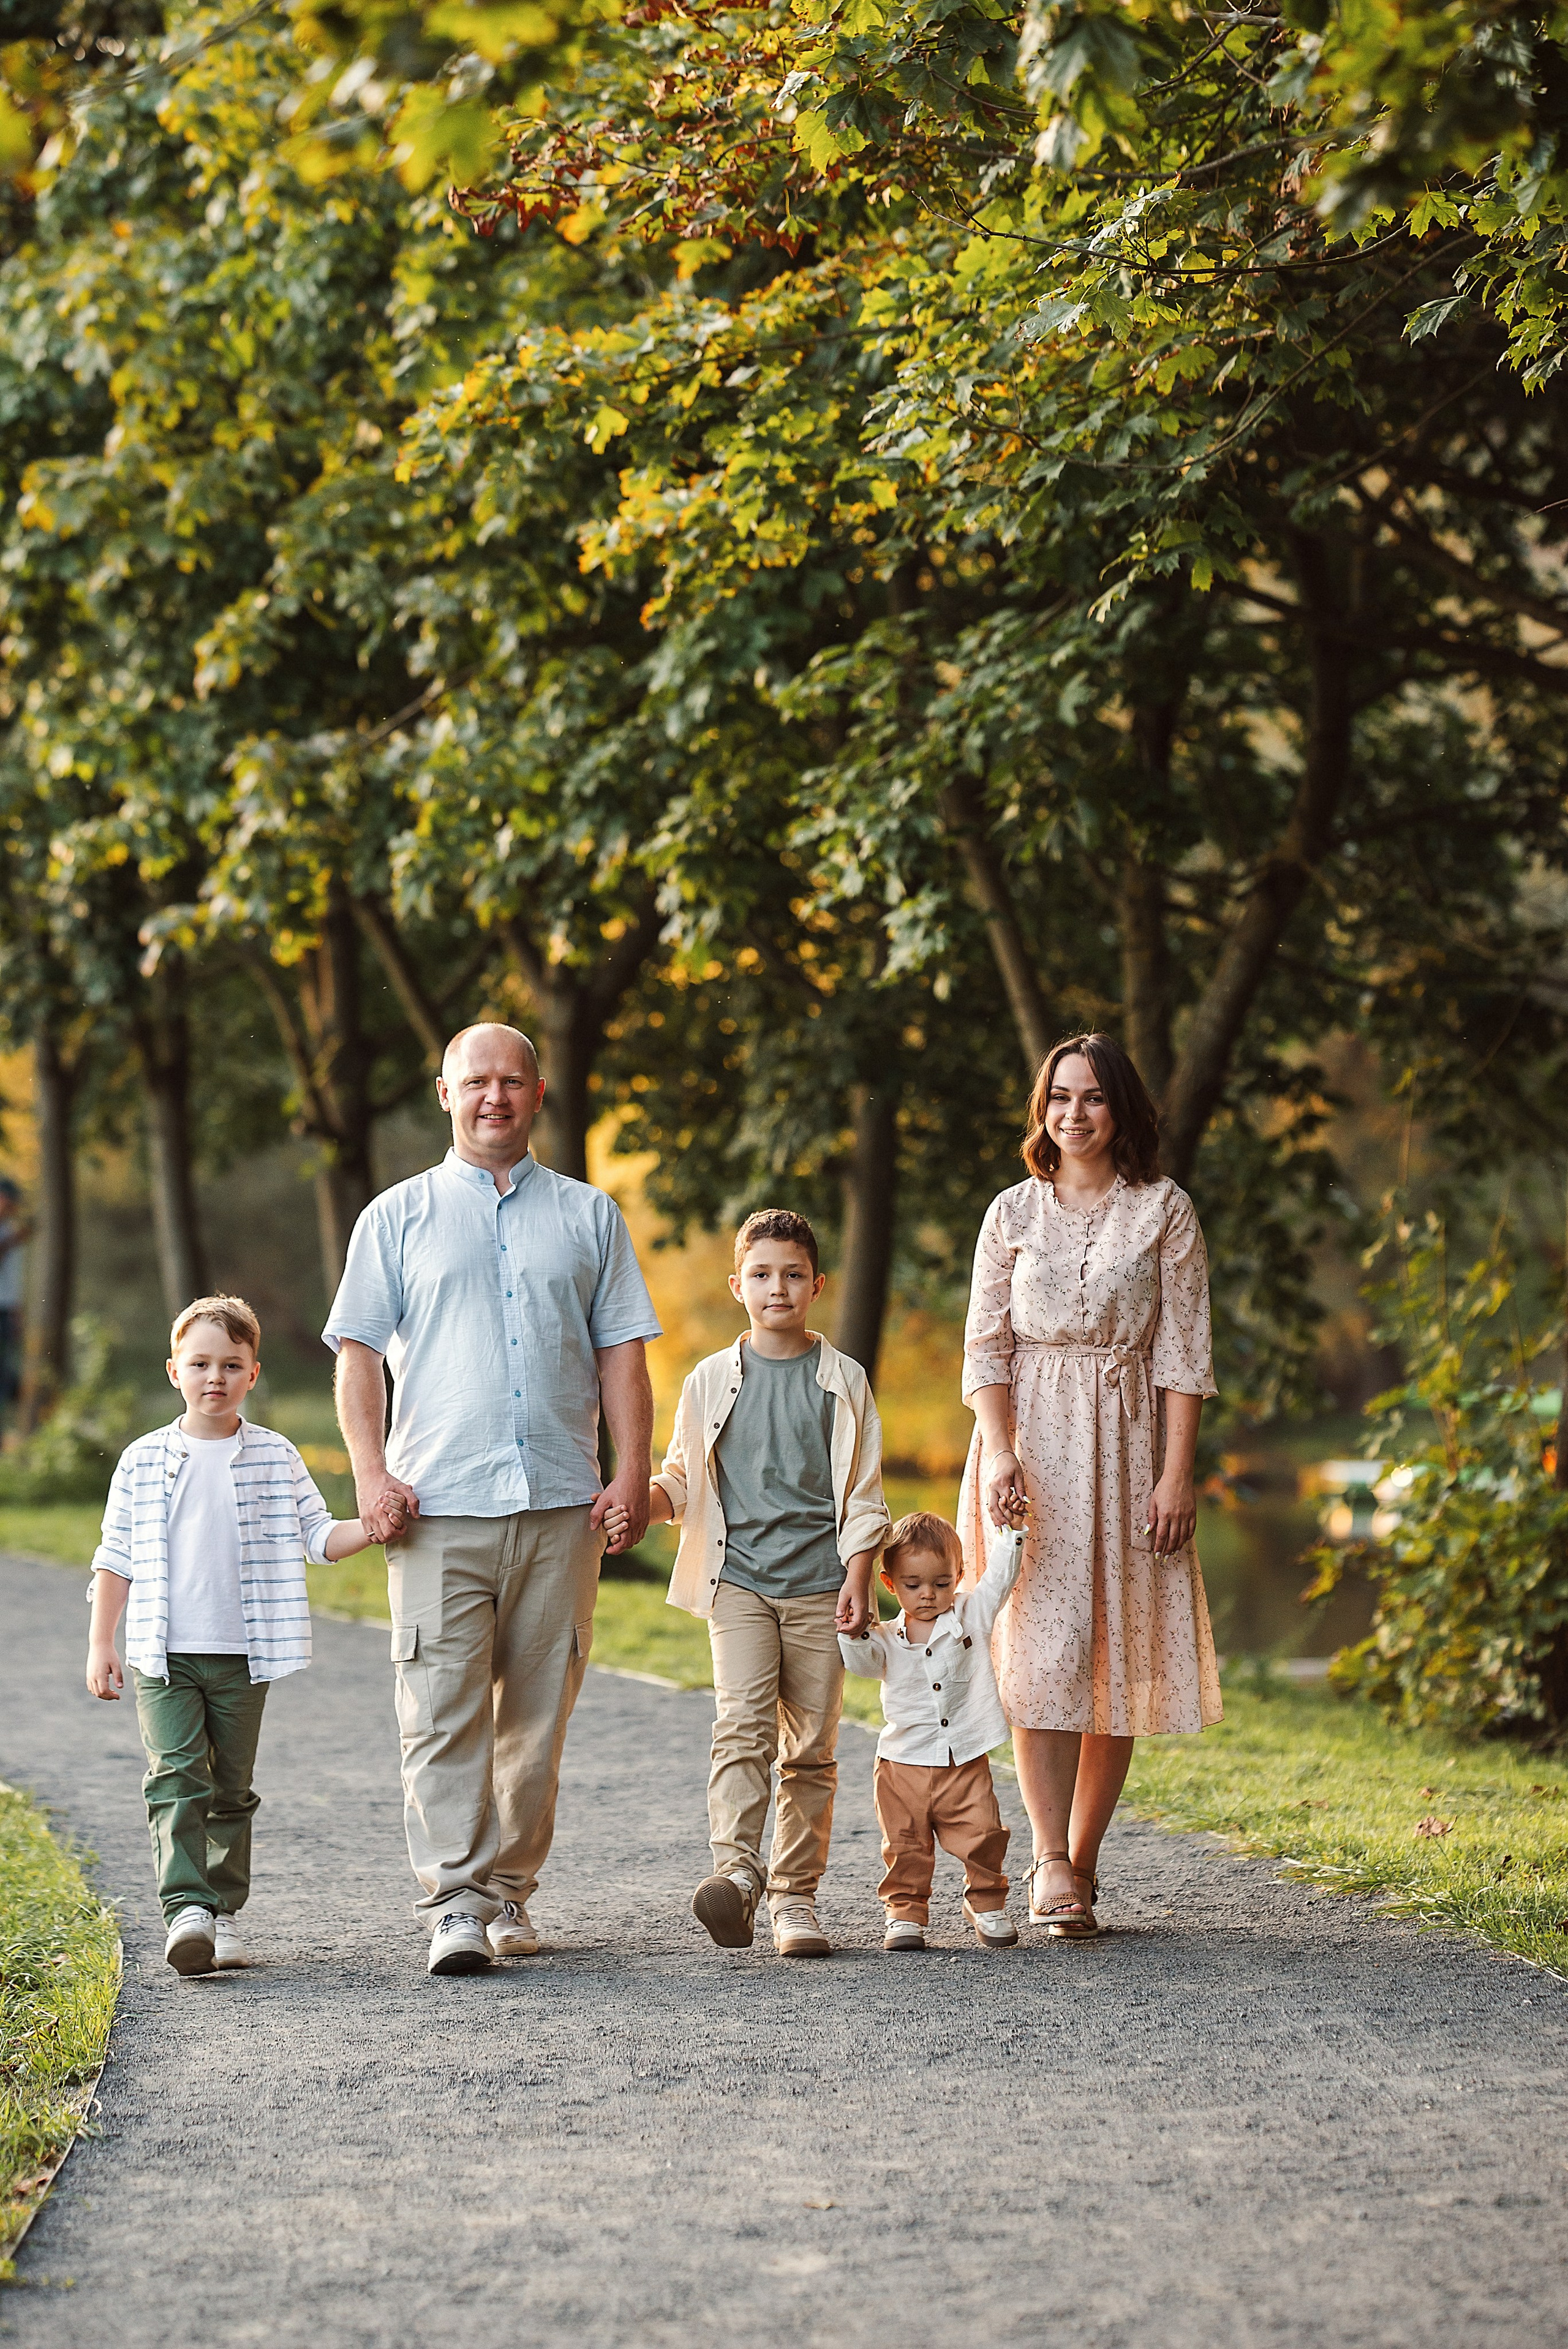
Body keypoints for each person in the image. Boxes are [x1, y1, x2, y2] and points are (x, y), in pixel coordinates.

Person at [325, 1022, 662, 1978]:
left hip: (561, 1501)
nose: (495, 1097)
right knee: (440, 1707)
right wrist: (370, 1474)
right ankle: (455, 1901)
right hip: (437, 1506)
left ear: (539, 1092)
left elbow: (623, 1354)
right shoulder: (394, 1216)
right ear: (445, 1092)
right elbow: (356, 1357)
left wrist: (630, 1470)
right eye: (477, 1081)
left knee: (539, 1711)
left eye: (512, 1081)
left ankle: (510, 1886)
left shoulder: (591, 1215)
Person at [959, 1032, 1222, 1939]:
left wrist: (1176, 1473)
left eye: (1093, 1098)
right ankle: (1046, 1856)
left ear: (1123, 1111)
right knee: (1042, 1653)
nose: (1074, 1113)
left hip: (1127, 1444)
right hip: (1030, 1442)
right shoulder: (1011, 1212)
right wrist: (999, 1452)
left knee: (1113, 1651)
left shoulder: (1164, 1211)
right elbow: (985, 1347)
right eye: (1060, 1097)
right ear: (1042, 1108)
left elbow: (1185, 1353)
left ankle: (1086, 1855)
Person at [84, 1294, 379, 1976]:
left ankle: (222, 1911)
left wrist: (372, 1525)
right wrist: (102, 1642)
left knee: (231, 1788)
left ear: (252, 1374)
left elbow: (317, 1535)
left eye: (230, 1364)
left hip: (247, 1654)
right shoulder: (141, 1459)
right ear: (173, 1371)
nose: (214, 1376)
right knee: (176, 1776)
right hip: (163, 1652)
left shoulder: (276, 1456)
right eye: (200, 1363)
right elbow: (114, 1557)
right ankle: (187, 1908)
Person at [652, 1207, 889, 1958]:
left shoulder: (842, 1380)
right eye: (761, 1274)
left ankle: (795, 1898)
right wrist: (640, 1504)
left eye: (791, 1274)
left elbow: (863, 1493)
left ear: (816, 1285)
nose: (776, 1288)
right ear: (737, 1285)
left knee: (812, 1747)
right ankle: (737, 1875)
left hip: (821, 1584)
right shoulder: (710, 1379)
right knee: (741, 1728)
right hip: (740, 1583)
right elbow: (683, 1475)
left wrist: (858, 1577)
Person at [841, 1510, 1023, 1951]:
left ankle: (986, 1903)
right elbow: (862, 1665)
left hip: (963, 1757)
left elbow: (1000, 1579)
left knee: (982, 1832)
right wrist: (854, 1633)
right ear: (890, 1584)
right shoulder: (884, 1636)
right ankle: (904, 1914)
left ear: (958, 1577)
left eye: (942, 1583)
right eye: (914, 1584)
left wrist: (1011, 1532)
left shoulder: (971, 1616)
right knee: (905, 1845)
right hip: (901, 1763)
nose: (928, 1594)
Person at [0, 1177, 28, 1417]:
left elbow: (11, 1280)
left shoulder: (9, 1229)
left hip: (6, 1310)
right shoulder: (10, 1234)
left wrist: (17, 1310)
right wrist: (13, 1241)